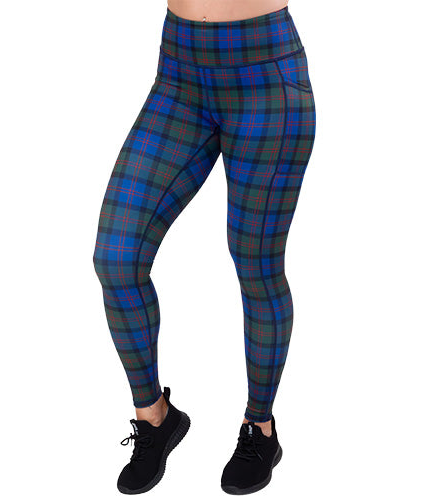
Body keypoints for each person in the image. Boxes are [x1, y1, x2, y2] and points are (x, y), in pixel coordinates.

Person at [92, 0, 316, 494]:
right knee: (117, 258)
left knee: (256, 264)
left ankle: (260, 428)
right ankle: (155, 418)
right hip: (179, 74)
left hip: (266, 77)